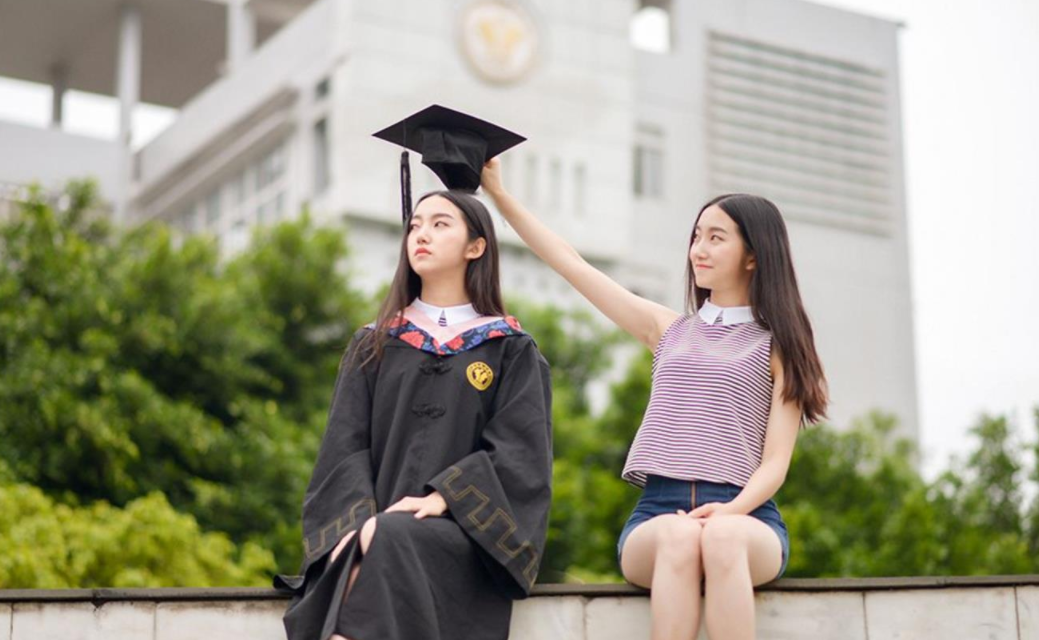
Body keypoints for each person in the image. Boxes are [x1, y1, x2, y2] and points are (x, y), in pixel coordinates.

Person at [481, 161, 828, 640]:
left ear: (753, 255)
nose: (698, 250)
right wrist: (499, 194)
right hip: (657, 513)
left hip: (747, 517)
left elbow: (775, 464)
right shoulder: (668, 329)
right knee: (681, 535)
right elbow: (572, 264)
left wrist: (729, 512)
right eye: (696, 236)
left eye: (716, 238)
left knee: (720, 537)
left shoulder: (777, 346)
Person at [274, 106, 553, 640]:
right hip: (371, 534)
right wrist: (355, 524)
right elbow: (344, 449)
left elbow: (520, 457)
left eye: (440, 224)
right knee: (375, 535)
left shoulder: (509, 349)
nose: (421, 235)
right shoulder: (375, 343)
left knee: (388, 536)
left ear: (477, 247)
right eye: (415, 225)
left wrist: (444, 496)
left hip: (460, 541)